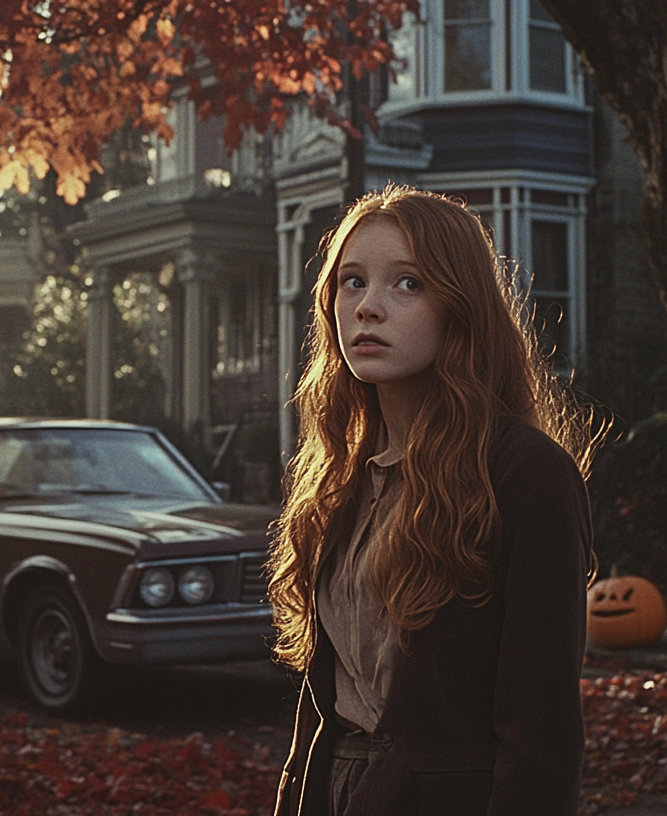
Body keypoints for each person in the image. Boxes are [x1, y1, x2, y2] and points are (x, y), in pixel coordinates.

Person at [268, 184, 598, 816]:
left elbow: (542, 734)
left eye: (408, 284)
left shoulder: (524, 473)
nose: (367, 307)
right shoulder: (338, 477)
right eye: (352, 281)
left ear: (461, 306)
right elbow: (322, 710)